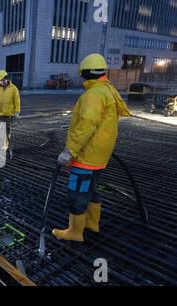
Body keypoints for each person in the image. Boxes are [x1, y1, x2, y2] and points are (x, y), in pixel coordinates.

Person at [52, 54, 131, 242]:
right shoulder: (107, 90)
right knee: (91, 190)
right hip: (99, 156)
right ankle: (91, 224)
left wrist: (69, 151)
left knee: (77, 194)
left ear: (85, 73)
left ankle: (75, 232)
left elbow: (86, 125)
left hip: (86, 157)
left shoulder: (93, 95)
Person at [0, 70, 21, 151]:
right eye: (0, 80)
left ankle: (6, 145)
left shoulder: (13, 88)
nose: (1, 82)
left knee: (7, 130)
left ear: (6, 79)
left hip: (8, 113)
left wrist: (17, 111)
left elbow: (17, 101)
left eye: (3, 80)